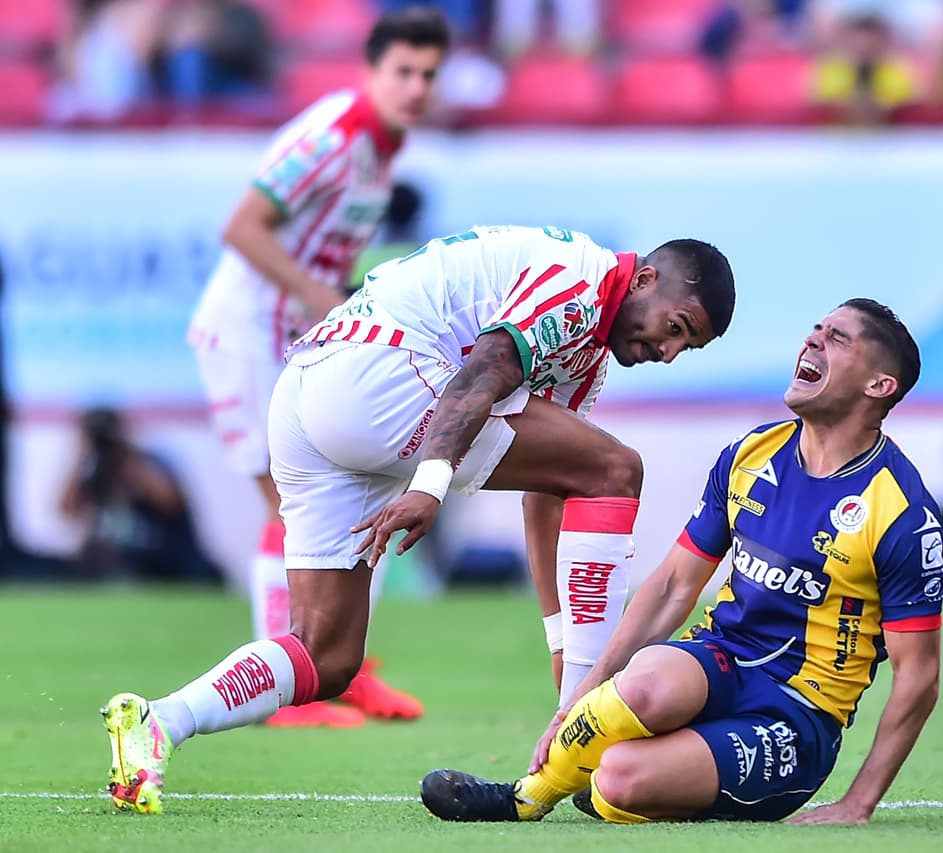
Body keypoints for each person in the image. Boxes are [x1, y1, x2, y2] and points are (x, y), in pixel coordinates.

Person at [100, 223, 736, 815]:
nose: (669, 350)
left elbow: (552, 492)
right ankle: (586, 726)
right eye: (676, 326)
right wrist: (431, 486)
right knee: (619, 467)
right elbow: (483, 372)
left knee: (326, 656)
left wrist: (561, 642)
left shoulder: (589, 346)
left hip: (306, 395)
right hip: (376, 377)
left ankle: (159, 721)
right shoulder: (583, 281)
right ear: (647, 281)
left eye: (688, 346)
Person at [420, 298, 943, 825]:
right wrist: (585, 692)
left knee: (619, 779)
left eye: (837, 338)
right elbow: (674, 583)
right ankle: (525, 797)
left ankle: (626, 785)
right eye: (816, 329)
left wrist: (858, 804)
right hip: (721, 658)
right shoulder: (751, 455)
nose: (812, 340)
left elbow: (918, 675)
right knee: (647, 681)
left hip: (798, 714)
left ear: (879, 385)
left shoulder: (899, 510)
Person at [185, 9, 451, 729]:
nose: (417, 87)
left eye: (429, 74)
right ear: (371, 72)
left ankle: (342, 666)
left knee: (353, 503)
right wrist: (321, 299)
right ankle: (291, 685)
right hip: (247, 336)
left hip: (292, 343)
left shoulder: (383, 146)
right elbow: (241, 225)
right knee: (290, 505)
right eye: (403, 71)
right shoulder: (333, 138)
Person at [59, 407, 221, 584]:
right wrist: (80, 456)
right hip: (121, 564)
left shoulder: (151, 464)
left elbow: (168, 500)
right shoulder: (96, 474)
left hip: (168, 559)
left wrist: (124, 450)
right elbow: (65, 510)